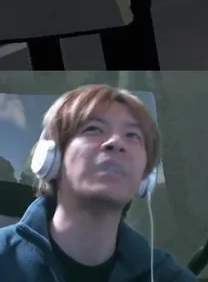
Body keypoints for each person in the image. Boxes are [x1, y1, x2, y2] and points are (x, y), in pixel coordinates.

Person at [0, 84, 197, 282]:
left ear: (145, 177)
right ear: (51, 159)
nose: (116, 142)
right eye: (93, 129)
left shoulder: (168, 275)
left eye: (132, 135)